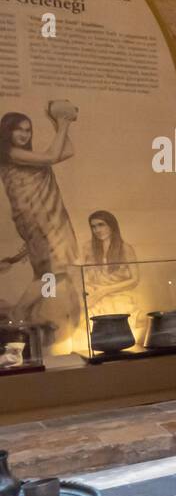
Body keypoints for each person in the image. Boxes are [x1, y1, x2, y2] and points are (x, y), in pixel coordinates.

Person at [0, 105, 82, 349]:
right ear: (8, 133)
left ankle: (36, 312)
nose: (24, 135)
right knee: (51, 272)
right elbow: (51, 156)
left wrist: (58, 121)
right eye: (18, 130)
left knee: (49, 273)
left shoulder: (27, 155)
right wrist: (63, 121)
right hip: (35, 218)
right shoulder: (10, 152)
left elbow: (67, 150)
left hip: (49, 216)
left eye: (28, 130)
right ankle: (18, 313)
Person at [81, 210, 139, 319]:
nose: (97, 230)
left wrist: (105, 290)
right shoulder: (87, 248)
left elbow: (135, 280)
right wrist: (90, 289)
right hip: (94, 296)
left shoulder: (126, 248)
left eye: (101, 225)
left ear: (111, 225)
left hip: (119, 296)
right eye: (93, 227)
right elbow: (81, 274)